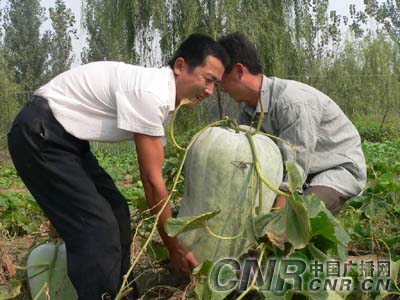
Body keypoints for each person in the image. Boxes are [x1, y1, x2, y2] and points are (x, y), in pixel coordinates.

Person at [7, 33, 229, 300]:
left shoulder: (160, 94)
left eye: (216, 84)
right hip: (40, 134)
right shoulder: (152, 94)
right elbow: (151, 180)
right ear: (180, 67)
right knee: (97, 229)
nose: (209, 91)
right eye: (208, 79)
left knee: (117, 210)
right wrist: (174, 247)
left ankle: (121, 292)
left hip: (63, 137)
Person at [218, 32, 366, 214]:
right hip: (304, 174)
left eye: (220, 79)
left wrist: (273, 222)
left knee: (294, 220)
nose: (220, 88)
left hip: (335, 170)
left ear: (239, 71)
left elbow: (294, 171)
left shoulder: (291, 102)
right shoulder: (247, 114)